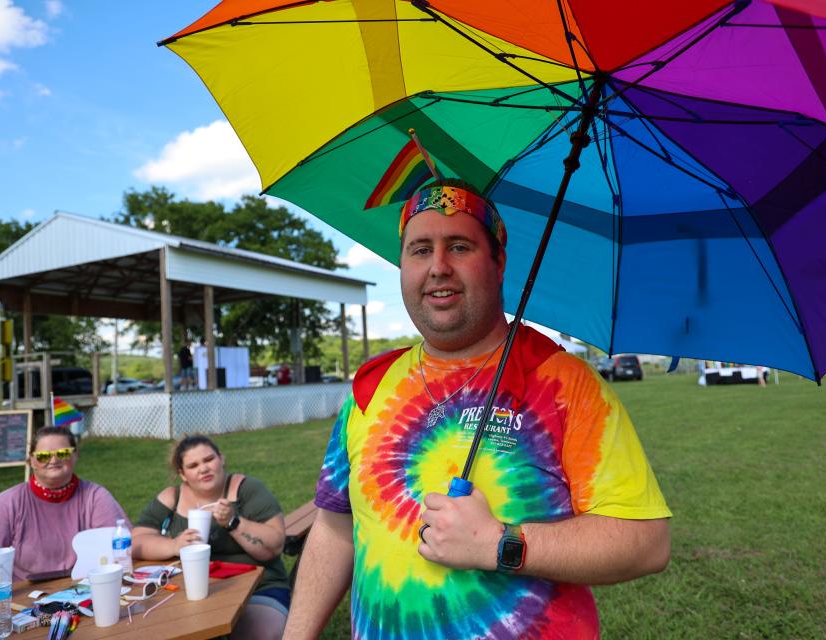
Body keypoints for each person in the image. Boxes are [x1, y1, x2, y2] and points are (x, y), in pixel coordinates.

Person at [284, 180, 672, 639]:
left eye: (460, 246)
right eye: (420, 249)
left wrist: (500, 544)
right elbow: (333, 527)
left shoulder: (564, 384)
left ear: (499, 262)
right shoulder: (371, 387)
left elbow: (646, 542)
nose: (438, 267)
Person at [131, 434, 289, 640]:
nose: (203, 468)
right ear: (183, 474)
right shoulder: (172, 497)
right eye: (193, 465)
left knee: (256, 635)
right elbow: (136, 541)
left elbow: (274, 547)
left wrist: (234, 522)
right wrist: (174, 545)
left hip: (259, 588)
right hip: (191, 591)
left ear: (221, 459)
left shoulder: (246, 489)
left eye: (208, 460)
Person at [0, 425, 129, 593]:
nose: (53, 460)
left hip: (88, 592)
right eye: (43, 456)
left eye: (62, 453)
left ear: (75, 454)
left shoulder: (95, 496)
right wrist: (7, 599)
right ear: (32, 460)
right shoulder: (6, 503)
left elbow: (124, 547)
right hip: (25, 601)